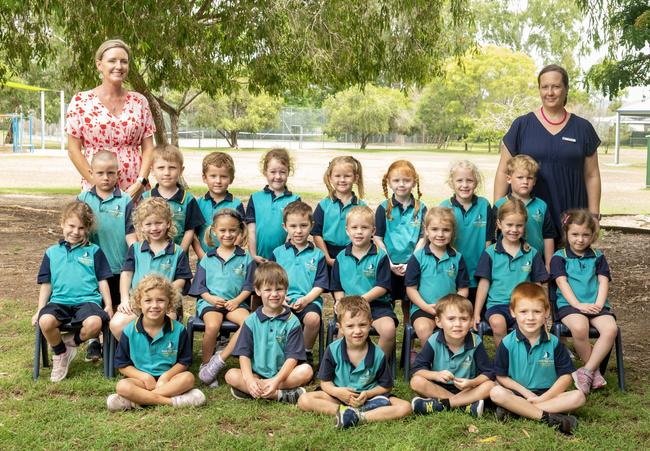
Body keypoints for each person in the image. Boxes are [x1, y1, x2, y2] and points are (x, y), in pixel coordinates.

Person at [495, 64, 602, 237]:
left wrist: (594, 215)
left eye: (556, 86)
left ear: (566, 89)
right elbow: (502, 171)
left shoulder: (583, 128)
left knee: (569, 261)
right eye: (545, 87)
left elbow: (592, 175)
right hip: (527, 218)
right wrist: (498, 210)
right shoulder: (522, 125)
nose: (550, 92)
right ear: (539, 90)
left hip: (572, 215)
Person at [298, 296, 411, 428]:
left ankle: (359, 417)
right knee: (304, 400)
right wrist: (338, 392)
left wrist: (368, 394)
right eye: (350, 326)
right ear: (340, 327)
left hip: (369, 399)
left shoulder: (378, 354)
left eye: (362, 325)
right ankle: (344, 412)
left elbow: (386, 386)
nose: (357, 331)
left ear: (370, 323)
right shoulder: (333, 350)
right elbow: (325, 383)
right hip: (338, 397)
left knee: (405, 407)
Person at [490, 282, 586, 435]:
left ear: (546, 312)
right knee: (496, 392)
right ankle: (550, 418)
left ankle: (517, 411)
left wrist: (542, 399)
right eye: (523, 312)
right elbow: (501, 376)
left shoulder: (554, 343)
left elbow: (566, 377)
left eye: (536, 311)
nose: (530, 317)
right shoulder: (507, 343)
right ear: (513, 312)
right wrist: (527, 394)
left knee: (578, 396)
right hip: (519, 394)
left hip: (549, 395)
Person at [32, 201, 113, 382]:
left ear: (88, 229)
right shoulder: (52, 252)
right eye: (71, 226)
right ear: (62, 223)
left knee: (94, 324)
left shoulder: (94, 251)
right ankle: (61, 353)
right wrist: (40, 309)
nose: (76, 232)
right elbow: (46, 284)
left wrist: (108, 304)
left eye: (81, 228)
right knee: (45, 321)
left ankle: (71, 342)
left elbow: (102, 280)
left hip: (87, 301)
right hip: (59, 301)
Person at [66, 39, 155, 198]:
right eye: (112, 60)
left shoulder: (139, 102)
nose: (119, 66)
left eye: (124, 61)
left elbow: (148, 147)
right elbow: (73, 149)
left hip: (134, 189)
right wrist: (97, 185)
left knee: (141, 222)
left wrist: (141, 183)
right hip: (97, 188)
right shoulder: (81, 101)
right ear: (99, 65)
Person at [107, 274, 205, 411]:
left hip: (170, 380)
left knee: (188, 378)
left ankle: (137, 401)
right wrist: (144, 376)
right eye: (148, 300)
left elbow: (184, 362)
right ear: (138, 303)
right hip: (140, 381)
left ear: (169, 303)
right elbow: (122, 365)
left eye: (160, 300)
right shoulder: (129, 331)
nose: (154, 305)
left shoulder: (179, 330)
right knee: (122, 386)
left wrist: (166, 376)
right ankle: (173, 402)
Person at [224, 262, 313, 403]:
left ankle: (256, 391)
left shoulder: (292, 322)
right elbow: (244, 354)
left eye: (279, 289)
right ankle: (280, 395)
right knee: (231, 375)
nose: (274, 294)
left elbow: (292, 358)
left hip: (283, 375)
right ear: (258, 291)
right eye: (268, 290)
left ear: (286, 290)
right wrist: (249, 380)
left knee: (306, 371)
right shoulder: (250, 321)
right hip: (256, 374)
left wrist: (276, 380)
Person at [78, 150, 137, 361]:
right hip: (91, 268)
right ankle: (94, 342)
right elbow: (77, 231)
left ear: (118, 174)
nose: (106, 178)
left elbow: (131, 233)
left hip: (118, 267)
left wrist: (135, 256)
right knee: (96, 306)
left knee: (116, 307)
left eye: (111, 173)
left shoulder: (126, 199)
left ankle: (115, 344)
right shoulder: (83, 199)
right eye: (100, 173)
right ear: (91, 173)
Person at [550, 209, 617, 394]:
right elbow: (561, 283)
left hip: (596, 304)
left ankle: (586, 371)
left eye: (585, 235)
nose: (580, 239)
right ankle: (594, 372)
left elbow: (603, 282)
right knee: (580, 328)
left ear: (593, 235)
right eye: (575, 234)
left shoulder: (598, 256)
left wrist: (599, 304)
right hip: (569, 306)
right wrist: (578, 305)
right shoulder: (559, 257)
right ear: (567, 233)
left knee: (610, 329)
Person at [188, 209, 255, 388]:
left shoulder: (246, 258)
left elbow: (249, 286)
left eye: (232, 230)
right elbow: (200, 287)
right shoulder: (207, 259)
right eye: (223, 230)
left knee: (249, 323)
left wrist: (236, 300)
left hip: (236, 302)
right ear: (214, 231)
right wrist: (210, 298)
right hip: (211, 303)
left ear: (240, 232)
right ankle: (206, 363)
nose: (228, 234)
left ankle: (219, 360)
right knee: (212, 325)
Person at [109, 197, 192, 340]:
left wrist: (166, 300)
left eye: (158, 223)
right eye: (148, 224)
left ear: (168, 223)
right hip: (137, 303)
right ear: (141, 226)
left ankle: (156, 356)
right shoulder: (135, 249)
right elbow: (126, 274)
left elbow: (181, 281)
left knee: (165, 323)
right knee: (116, 324)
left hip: (164, 304)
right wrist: (124, 300)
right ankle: (134, 353)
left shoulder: (177, 252)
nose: (154, 228)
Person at [473, 198, 548, 348]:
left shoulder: (531, 253)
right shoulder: (490, 253)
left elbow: (538, 285)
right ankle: (504, 361)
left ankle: (521, 361)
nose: (514, 230)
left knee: (526, 328)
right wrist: (476, 312)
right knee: (497, 323)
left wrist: (544, 310)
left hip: (525, 305)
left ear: (524, 226)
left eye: (519, 225)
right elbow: (483, 284)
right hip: (497, 305)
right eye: (509, 225)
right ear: (499, 224)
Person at [410, 294, 495, 417]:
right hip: (439, 388)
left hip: (467, 388)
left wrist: (472, 383)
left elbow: (488, 373)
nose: (457, 324)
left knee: (490, 385)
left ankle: (441, 405)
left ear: (471, 322)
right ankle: (465, 406)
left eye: (463, 319)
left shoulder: (476, 342)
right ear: (439, 322)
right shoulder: (433, 341)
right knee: (416, 382)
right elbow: (417, 370)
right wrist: (436, 375)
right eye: (451, 319)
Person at [330, 206, 396, 358]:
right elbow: (337, 286)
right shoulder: (341, 257)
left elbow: (382, 286)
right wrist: (340, 301)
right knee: (342, 332)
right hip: (348, 308)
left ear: (373, 231)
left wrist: (360, 300)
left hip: (377, 306)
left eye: (364, 228)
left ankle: (377, 367)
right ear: (347, 230)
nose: (359, 232)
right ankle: (344, 365)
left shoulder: (381, 256)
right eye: (354, 227)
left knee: (389, 330)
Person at [270, 201, 329, 366]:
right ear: (285, 227)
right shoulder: (278, 253)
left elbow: (320, 284)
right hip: (280, 300)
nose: (298, 231)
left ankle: (304, 353)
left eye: (303, 225)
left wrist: (306, 300)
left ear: (312, 225)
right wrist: (281, 298)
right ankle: (276, 355)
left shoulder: (318, 255)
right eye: (293, 226)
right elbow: (270, 280)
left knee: (312, 319)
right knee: (272, 319)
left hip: (308, 300)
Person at [405, 207, 470, 343]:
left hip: (450, 310)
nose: (440, 234)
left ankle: (450, 361)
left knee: (456, 331)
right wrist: (426, 307)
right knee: (424, 330)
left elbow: (463, 289)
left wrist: (450, 307)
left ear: (452, 232)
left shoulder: (457, 258)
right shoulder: (417, 257)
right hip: (423, 308)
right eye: (435, 229)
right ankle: (429, 363)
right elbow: (411, 289)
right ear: (426, 231)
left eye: (446, 230)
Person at [375, 160, 427, 320]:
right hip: (388, 265)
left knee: (409, 304)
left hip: (411, 264)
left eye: (406, 180)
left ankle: (407, 340)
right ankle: (388, 339)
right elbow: (378, 238)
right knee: (386, 305)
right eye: (396, 180)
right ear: (389, 183)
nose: (401, 184)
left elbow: (423, 237)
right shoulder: (383, 208)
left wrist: (412, 262)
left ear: (414, 182)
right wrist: (388, 263)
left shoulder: (421, 208)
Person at [440, 160, 493, 304]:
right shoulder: (445, 207)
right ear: (452, 183)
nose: (464, 185)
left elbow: (489, 241)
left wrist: (485, 268)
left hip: (478, 272)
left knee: (477, 316)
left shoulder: (484, 205)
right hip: (453, 272)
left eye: (469, 180)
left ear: (476, 182)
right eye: (459, 180)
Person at [493, 154, 556, 270]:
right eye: (520, 177)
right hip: (506, 262)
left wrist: (548, 264)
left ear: (535, 181)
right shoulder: (500, 205)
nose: (525, 181)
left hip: (536, 263)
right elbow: (493, 237)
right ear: (508, 179)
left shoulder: (541, 206)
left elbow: (548, 236)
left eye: (529, 178)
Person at [142, 144, 204, 252]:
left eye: (172, 167)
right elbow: (140, 228)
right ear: (152, 170)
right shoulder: (145, 198)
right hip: (151, 257)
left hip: (178, 261)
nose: (166, 173)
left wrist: (179, 254)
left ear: (181, 170)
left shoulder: (188, 199)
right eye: (161, 168)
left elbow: (190, 230)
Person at [245, 148, 301, 263]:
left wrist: (284, 254)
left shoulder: (294, 199)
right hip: (259, 258)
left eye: (282, 172)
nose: (278, 176)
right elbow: (251, 230)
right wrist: (253, 255)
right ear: (265, 172)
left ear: (288, 172)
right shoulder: (255, 198)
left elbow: (294, 230)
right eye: (273, 172)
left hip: (284, 259)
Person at [313, 156, 366, 269]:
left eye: (347, 176)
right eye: (337, 176)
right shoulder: (323, 205)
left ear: (356, 178)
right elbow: (317, 234)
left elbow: (367, 235)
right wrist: (326, 258)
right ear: (330, 178)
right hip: (327, 255)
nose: (342, 180)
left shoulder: (361, 207)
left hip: (353, 255)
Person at [193, 151, 245, 259]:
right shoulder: (198, 204)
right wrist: (203, 258)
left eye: (224, 176)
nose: (218, 181)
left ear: (231, 179)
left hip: (230, 259)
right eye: (213, 176)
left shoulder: (236, 204)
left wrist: (229, 254)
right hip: (205, 260)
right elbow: (193, 235)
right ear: (204, 178)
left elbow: (241, 232)